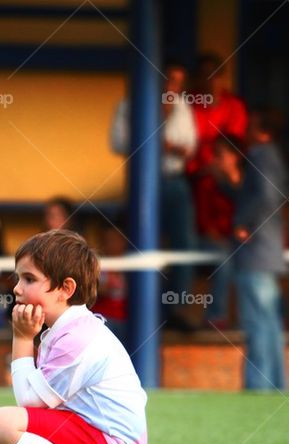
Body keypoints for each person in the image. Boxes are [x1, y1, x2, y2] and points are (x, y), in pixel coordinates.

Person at [0, 230, 174, 444]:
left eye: (29, 279)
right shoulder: (62, 330)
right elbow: (46, 412)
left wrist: (21, 339)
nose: (18, 289)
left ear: (66, 289)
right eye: (18, 278)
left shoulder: (78, 336)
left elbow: (29, 405)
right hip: (93, 438)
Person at [111, 62, 198, 330]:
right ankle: (145, 312)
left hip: (175, 181)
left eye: (179, 81)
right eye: (171, 79)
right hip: (144, 183)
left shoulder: (182, 104)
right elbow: (119, 142)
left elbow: (189, 146)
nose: (174, 86)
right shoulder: (130, 103)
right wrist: (160, 124)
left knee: (184, 245)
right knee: (145, 246)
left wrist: (165, 140)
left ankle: (174, 308)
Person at [220, 110, 288, 391]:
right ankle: (276, 386)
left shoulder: (261, 156)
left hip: (255, 255)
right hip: (267, 253)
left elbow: (265, 195)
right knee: (270, 325)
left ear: (261, 130)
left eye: (251, 126)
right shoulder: (273, 157)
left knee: (257, 324)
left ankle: (258, 387)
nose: (246, 131)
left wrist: (245, 225)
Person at [188, 53, 247, 329]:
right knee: (225, 257)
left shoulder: (248, 185)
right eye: (205, 74)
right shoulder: (191, 105)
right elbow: (205, 224)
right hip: (213, 234)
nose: (210, 80)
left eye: (216, 74)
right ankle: (215, 317)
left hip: (236, 239)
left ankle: (259, 318)